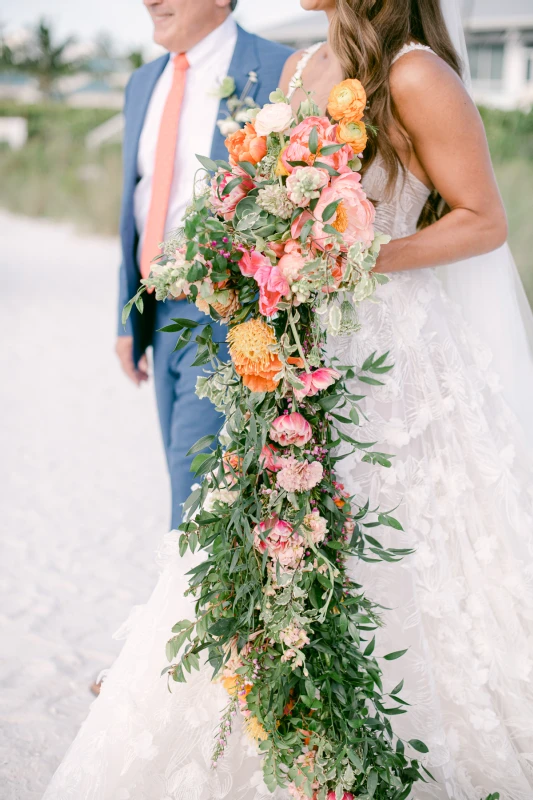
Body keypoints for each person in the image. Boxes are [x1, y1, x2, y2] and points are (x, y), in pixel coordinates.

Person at [44, 1, 533, 798]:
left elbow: (483, 221)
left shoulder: (415, 71)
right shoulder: (302, 67)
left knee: (393, 539)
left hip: (389, 350)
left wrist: (352, 255)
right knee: (262, 532)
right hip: (296, 346)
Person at [115, 0, 292, 529]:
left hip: (229, 322)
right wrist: (128, 320)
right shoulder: (142, 82)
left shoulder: (282, 69)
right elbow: (137, 203)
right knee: (187, 486)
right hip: (160, 316)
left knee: (196, 507)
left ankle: (190, 612)